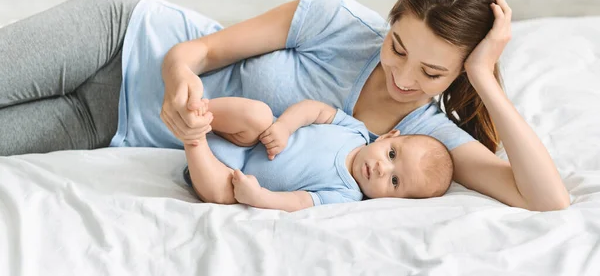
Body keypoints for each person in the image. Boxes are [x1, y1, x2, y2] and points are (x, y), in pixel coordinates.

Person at [0, 0, 570, 211]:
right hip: (122, 37)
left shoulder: (421, 136)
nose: (402, 78)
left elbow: (547, 199)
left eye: (432, 73)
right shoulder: (338, 20)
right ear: (392, 18)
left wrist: (484, 78)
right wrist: (179, 83)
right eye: (398, 47)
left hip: (105, 125)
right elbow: (198, 51)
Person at [181, 97, 454, 211]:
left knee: (223, 194)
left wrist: (259, 197)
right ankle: (199, 111)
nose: (383, 168)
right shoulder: (355, 132)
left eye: (395, 182)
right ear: (388, 137)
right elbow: (315, 109)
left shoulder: (346, 195)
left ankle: (193, 139)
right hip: (254, 138)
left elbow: (299, 202)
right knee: (258, 114)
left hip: (235, 176)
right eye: (392, 154)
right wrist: (285, 127)